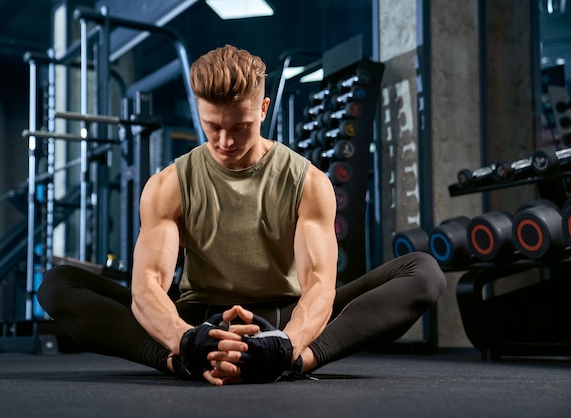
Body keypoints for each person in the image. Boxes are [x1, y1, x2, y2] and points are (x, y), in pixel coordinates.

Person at [38, 44, 446, 386]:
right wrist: (187, 340)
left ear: (264, 109)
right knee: (58, 284)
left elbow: (320, 284)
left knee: (424, 272)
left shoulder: (308, 181)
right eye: (211, 126)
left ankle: (294, 360)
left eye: (240, 126)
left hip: (282, 316)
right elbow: (148, 285)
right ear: (198, 109)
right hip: (198, 315)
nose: (225, 140)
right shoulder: (168, 185)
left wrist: (287, 343)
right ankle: (180, 361)